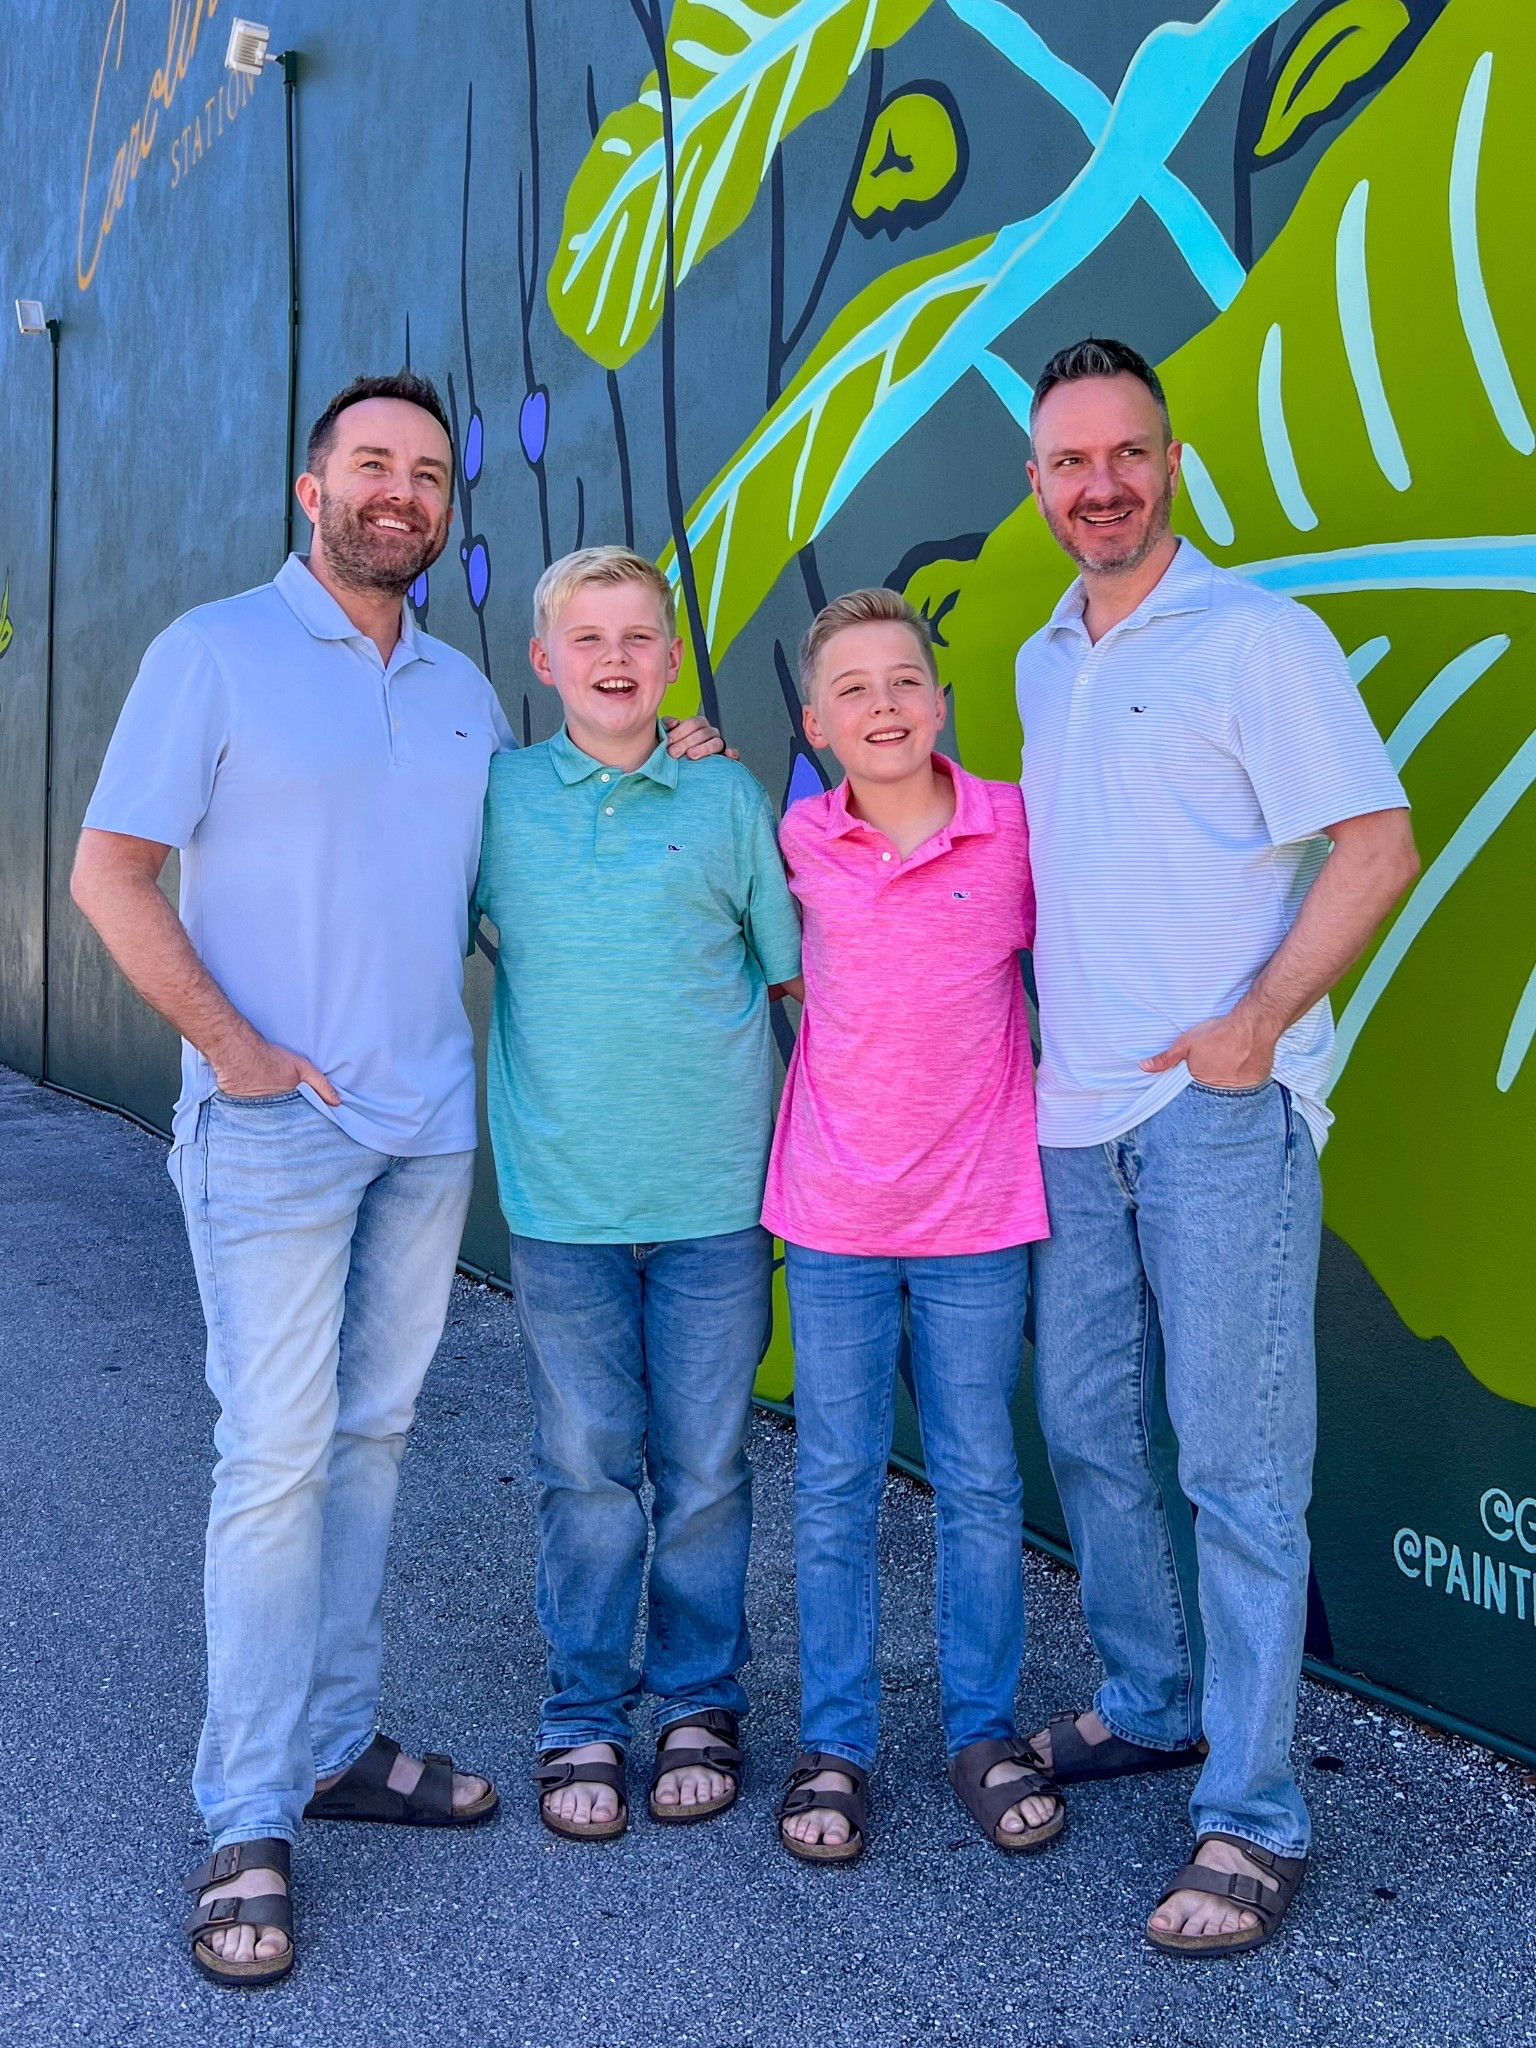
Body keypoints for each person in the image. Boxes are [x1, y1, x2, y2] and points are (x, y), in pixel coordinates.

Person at [70, 378, 722, 1986]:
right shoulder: (213, 651)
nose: (401, 491)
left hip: (426, 1131)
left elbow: (533, 864)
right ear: (314, 491)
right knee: (274, 1458)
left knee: (368, 1446)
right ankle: (245, 1817)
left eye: (428, 473)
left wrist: (675, 763)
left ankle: (337, 1744)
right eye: (372, 464)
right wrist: (233, 1050)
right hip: (277, 1130)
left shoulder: (461, 695)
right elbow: (110, 873)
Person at [1015, 338, 1419, 1955]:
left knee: (1238, 1469)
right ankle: (1150, 1701)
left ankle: (1254, 1811)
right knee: (1090, 1432)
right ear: (1037, 483)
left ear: (1171, 462)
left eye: (1128, 453)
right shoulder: (1046, 656)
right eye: (1069, 461)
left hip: (1215, 1113)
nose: (1100, 484)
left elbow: (1377, 845)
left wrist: (1251, 1029)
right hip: (1074, 1116)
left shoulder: (1258, 636)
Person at [473, 546, 803, 1841]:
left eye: (638, 638)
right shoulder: (497, 797)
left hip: (715, 1196)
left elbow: (792, 971)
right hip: (564, 1204)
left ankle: (700, 1701)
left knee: (707, 1466)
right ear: (544, 661)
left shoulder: (725, 798)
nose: (614, 658)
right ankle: (584, 1710)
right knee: (586, 1467)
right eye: (587, 638)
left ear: (671, 661)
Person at [761, 588, 1062, 1865]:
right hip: (833, 1211)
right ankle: (835, 1743)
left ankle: (981, 1732)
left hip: (979, 1212)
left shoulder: (1016, 826)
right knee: (834, 1481)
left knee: (981, 1481)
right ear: (818, 725)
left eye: (903, 680)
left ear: (939, 702)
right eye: (853, 689)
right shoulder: (794, 838)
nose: (882, 704)